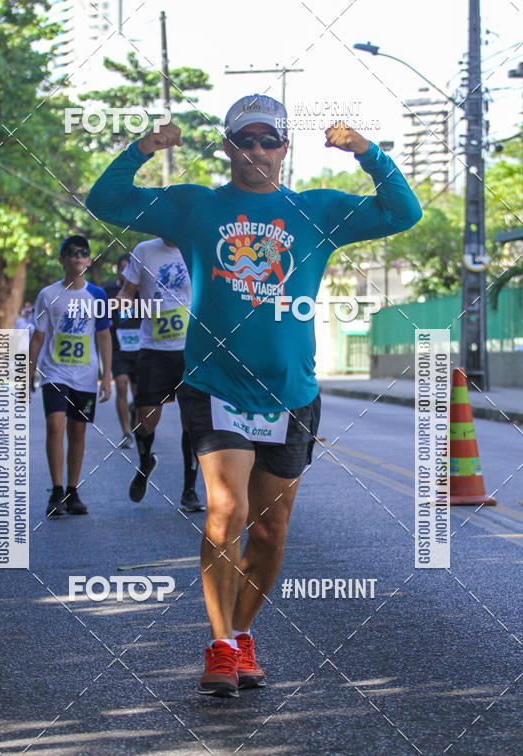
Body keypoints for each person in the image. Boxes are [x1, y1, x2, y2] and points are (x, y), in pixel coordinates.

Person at [86, 94, 422, 698]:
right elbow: (105, 202)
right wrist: (142, 148)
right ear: (228, 147)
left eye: (270, 140)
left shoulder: (315, 210)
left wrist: (367, 152)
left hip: (291, 392)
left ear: (285, 148)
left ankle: (241, 633)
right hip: (217, 386)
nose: (258, 150)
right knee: (226, 512)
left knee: (270, 531)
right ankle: (218, 645)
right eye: (246, 140)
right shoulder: (196, 206)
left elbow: (403, 212)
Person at [118, 237, 206, 513]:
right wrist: (120, 302)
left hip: (189, 349)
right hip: (153, 349)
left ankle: (189, 490)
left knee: (191, 421)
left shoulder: (197, 245)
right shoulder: (144, 250)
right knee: (146, 422)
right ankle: (145, 462)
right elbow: (127, 291)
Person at [29, 234, 112, 517]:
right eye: (72, 252)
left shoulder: (97, 295)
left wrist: (107, 375)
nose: (78, 257)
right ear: (61, 259)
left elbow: (103, 337)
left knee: (78, 431)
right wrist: (28, 372)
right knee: (56, 425)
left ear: (89, 261)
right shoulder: (47, 295)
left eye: (83, 253)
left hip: (85, 377)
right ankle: (56, 491)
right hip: (54, 373)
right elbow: (38, 337)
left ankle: (73, 491)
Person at [103, 253, 141, 449]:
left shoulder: (142, 290)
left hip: (140, 348)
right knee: (121, 384)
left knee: (138, 393)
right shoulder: (108, 291)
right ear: (118, 270)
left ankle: (135, 410)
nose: (127, 274)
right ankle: (126, 432)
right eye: (123, 269)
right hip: (118, 348)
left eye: (130, 270)